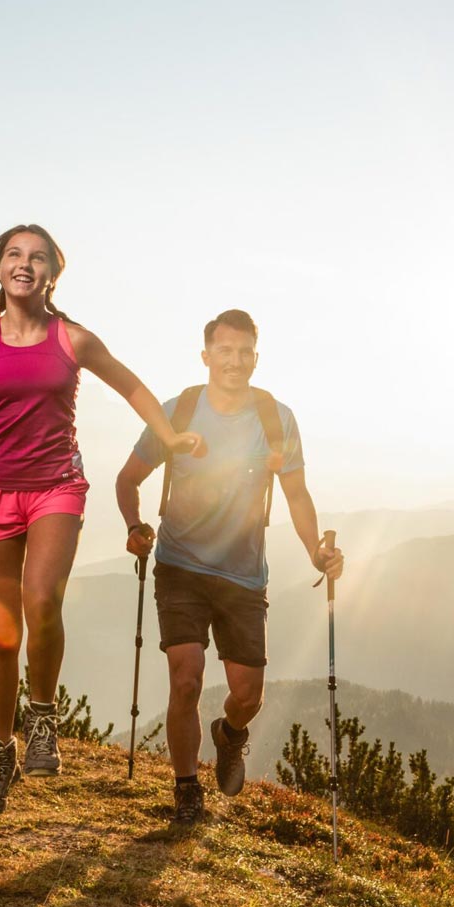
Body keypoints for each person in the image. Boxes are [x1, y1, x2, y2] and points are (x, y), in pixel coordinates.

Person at [0, 224, 203, 816]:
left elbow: (132, 386)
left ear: (53, 274)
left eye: (38, 258)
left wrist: (170, 438)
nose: (24, 264)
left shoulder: (74, 339)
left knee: (42, 602)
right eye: (14, 254)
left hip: (57, 488)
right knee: (0, 628)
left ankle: (42, 717)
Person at [114, 309, 342, 825]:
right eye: (225, 351)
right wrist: (134, 526)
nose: (234, 361)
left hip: (243, 573)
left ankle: (229, 734)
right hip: (180, 565)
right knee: (186, 679)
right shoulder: (178, 411)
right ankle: (186, 789)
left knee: (247, 695)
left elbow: (297, 494)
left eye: (244, 353)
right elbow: (127, 479)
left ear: (256, 358)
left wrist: (315, 552)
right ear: (206, 356)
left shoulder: (276, 419)